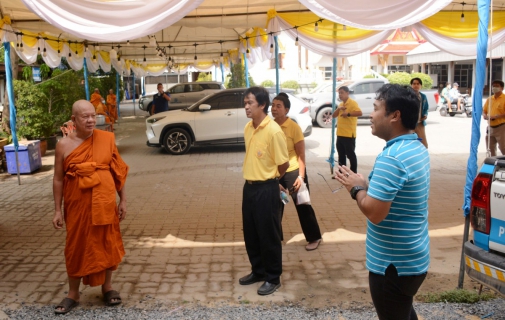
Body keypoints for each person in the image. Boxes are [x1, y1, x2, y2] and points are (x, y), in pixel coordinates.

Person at [334, 84, 430, 320]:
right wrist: (366, 184)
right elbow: (396, 194)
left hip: (392, 266)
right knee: (404, 312)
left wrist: (355, 188)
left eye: (376, 109)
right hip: (412, 257)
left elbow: (375, 212)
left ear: (395, 116)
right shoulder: (416, 147)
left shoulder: (392, 158)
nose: (370, 114)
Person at [52, 100, 129, 314]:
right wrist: (58, 210)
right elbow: (58, 179)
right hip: (77, 206)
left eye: (93, 115)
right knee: (76, 245)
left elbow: (118, 171)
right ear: (74, 119)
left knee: (106, 242)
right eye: (85, 116)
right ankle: (73, 293)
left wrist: (122, 200)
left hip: (104, 201)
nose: (91, 120)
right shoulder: (63, 145)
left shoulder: (106, 139)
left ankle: (108, 287)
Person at [239, 86, 289, 296]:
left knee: (268, 235)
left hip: (266, 189)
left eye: (250, 103)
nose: (246, 107)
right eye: (245, 103)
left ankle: (273, 277)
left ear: (262, 105)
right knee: (251, 233)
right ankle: (258, 271)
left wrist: (272, 180)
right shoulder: (248, 128)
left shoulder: (273, 130)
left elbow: (283, 163)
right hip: (249, 188)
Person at [271, 93, 322, 251]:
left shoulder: (294, 128)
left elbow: (301, 154)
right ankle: (275, 239)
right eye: (273, 105)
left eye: (278, 106)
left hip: (293, 172)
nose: (274, 109)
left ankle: (314, 237)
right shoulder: (270, 126)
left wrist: (301, 176)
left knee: (302, 205)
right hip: (276, 174)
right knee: (276, 205)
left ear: (286, 109)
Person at [332, 86, 363, 173]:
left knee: (350, 155)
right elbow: (334, 115)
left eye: (342, 93)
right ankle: (342, 172)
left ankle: (353, 173)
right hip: (340, 134)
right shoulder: (341, 104)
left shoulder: (353, 103)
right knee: (341, 155)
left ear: (347, 93)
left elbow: (360, 113)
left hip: (349, 134)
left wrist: (348, 114)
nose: (340, 95)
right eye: (339, 93)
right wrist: (338, 109)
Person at [483, 80, 505, 156]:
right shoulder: (489, 99)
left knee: (503, 148)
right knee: (490, 148)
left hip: (501, 127)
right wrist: (485, 115)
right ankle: (493, 164)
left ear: (501, 88)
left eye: (497, 86)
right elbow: (484, 110)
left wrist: (496, 116)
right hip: (490, 128)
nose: (494, 88)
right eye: (493, 86)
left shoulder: (504, 99)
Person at [410, 77, 429, 148]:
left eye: (418, 84)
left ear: (420, 85)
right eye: (414, 84)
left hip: (420, 123)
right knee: (411, 143)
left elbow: (426, 108)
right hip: (410, 124)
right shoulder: (408, 96)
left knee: (423, 144)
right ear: (411, 85)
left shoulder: (423, 96)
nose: (416, 85)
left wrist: (425, 115)